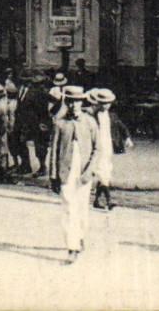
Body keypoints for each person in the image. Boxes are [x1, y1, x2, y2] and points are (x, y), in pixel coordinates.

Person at [50, 86, 99, 263]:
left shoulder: (90, 123)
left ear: (82, 102)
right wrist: (53, 176)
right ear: (66, 102)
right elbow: (55, 151)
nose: (73, 105)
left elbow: (97, 149)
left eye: (77, 101)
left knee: (82, 210)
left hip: (83, 172)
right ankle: (72, 247)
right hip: (66, 172)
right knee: (68, 209)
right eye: (70, 101)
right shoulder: (60, 123)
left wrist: (89, 171)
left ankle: (80, 236)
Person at [86, 88, 130, 211]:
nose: (106, 105)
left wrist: (127, 138)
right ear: (98, 103)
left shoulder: (112, 115)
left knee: (105, 172)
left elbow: (121, 126)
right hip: (97, 147)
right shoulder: (92, 116)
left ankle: (97, 200)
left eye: (108, 103)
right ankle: (109, 200)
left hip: (108, 147)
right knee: (102, 172)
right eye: (103, 103)